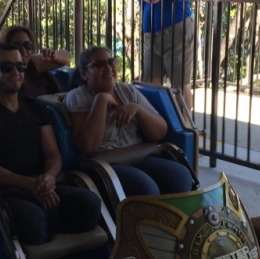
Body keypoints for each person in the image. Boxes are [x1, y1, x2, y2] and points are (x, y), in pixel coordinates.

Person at [0, 42, 101, 246]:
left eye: (20, 66)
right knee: (33, 222)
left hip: (43, 184)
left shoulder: (36, 107)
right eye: (7, 67)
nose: (16, 72)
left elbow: (53, 153)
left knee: (90, 204)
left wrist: (49, 177)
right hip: (9, 191)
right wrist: (31, 185)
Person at [65, 46, 193, 197]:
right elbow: (88, 147)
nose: (108, 68)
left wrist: (137, 109)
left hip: (136, 154)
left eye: (111, 62)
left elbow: (160, 132)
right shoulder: (77, 97)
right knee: (146, 188)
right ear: (84, 74)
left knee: (181, 176)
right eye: (99, 65)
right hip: (104, 164)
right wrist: (101, 99)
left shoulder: (127, 91)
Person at [111, 0, 195, 110]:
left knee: (179, 85)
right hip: (152, 36)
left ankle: (185, 124)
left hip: (175, 34)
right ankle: (158, 119)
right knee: (149, 82)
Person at [0, 26, 70, 98]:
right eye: (17, 46)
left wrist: (55, 56)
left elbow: (67, 57)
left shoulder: (33, 63)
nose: (23, 50)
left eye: (28, 45)